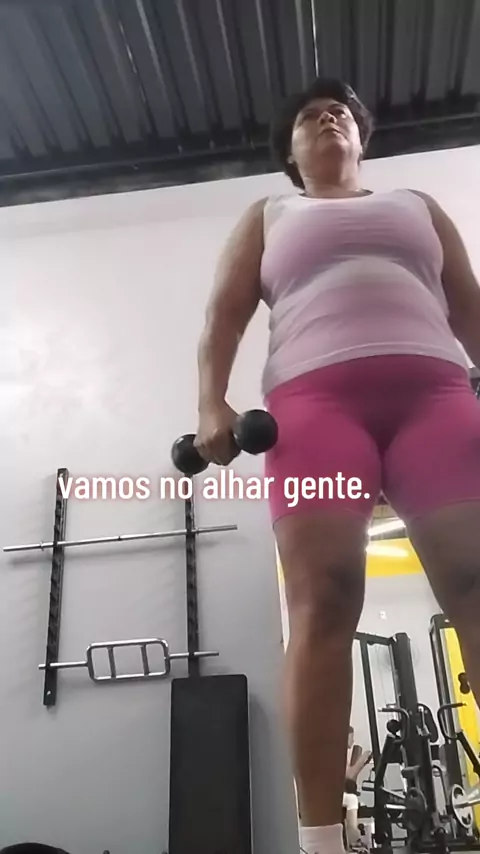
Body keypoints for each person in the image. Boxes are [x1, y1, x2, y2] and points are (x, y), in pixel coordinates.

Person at [193, 76, 480, 854]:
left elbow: (468, 307)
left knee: (476, 585)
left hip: (437, 398)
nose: (329, 118)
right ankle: (321, 841)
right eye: (311, 116)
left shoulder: (418, 205)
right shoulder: (270, 215)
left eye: (342, 113)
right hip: (315, 408)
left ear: (361, 137)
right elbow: (223, 315)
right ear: (290, 151)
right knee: (323, 599)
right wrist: (212, 404)